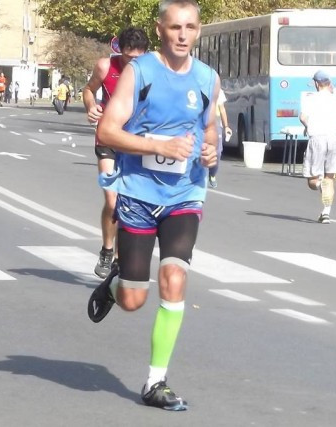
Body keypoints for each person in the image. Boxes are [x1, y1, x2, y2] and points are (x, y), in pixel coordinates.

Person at [87, 0, 219, 411]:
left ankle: (155, 382)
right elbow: (108, 130)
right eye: (175, 27)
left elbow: (209, 130)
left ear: (198, 31)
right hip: (140, 194)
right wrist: (158, 146)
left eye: (190, 27)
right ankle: (115, 284)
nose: (183, 35)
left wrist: (211, 151)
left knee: (174, 278)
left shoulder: (207, 78)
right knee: (133, 300)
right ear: (160, 29)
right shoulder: (139, 72)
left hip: (185, 194)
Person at [83, 27, 149, 279]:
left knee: (129, 203)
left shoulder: (152, 70)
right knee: (112, 201)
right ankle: (107, 250)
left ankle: (120, 260)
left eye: (138, 58)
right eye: (128, 57)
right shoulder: (105, 66)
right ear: (120, 50)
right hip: (108, 137)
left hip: (135, 141)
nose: (133, 62)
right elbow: (88, 90)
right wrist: (91, 106)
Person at [300, 70, 336, 224]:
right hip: (334, 139)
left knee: (312, 179)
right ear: (329, 84)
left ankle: (319, 185)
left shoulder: (311, 99)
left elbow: (303, 117)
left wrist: (308, 126)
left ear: (316, 84)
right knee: (330, 178)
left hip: (317, 139)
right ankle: (326, 213)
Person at [208, 88, 231, 188]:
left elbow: (222, 109)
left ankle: (212, 174)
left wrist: (226, 127)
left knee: (217, 152)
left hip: (216, 123)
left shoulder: (218, 90)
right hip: (201, 123)